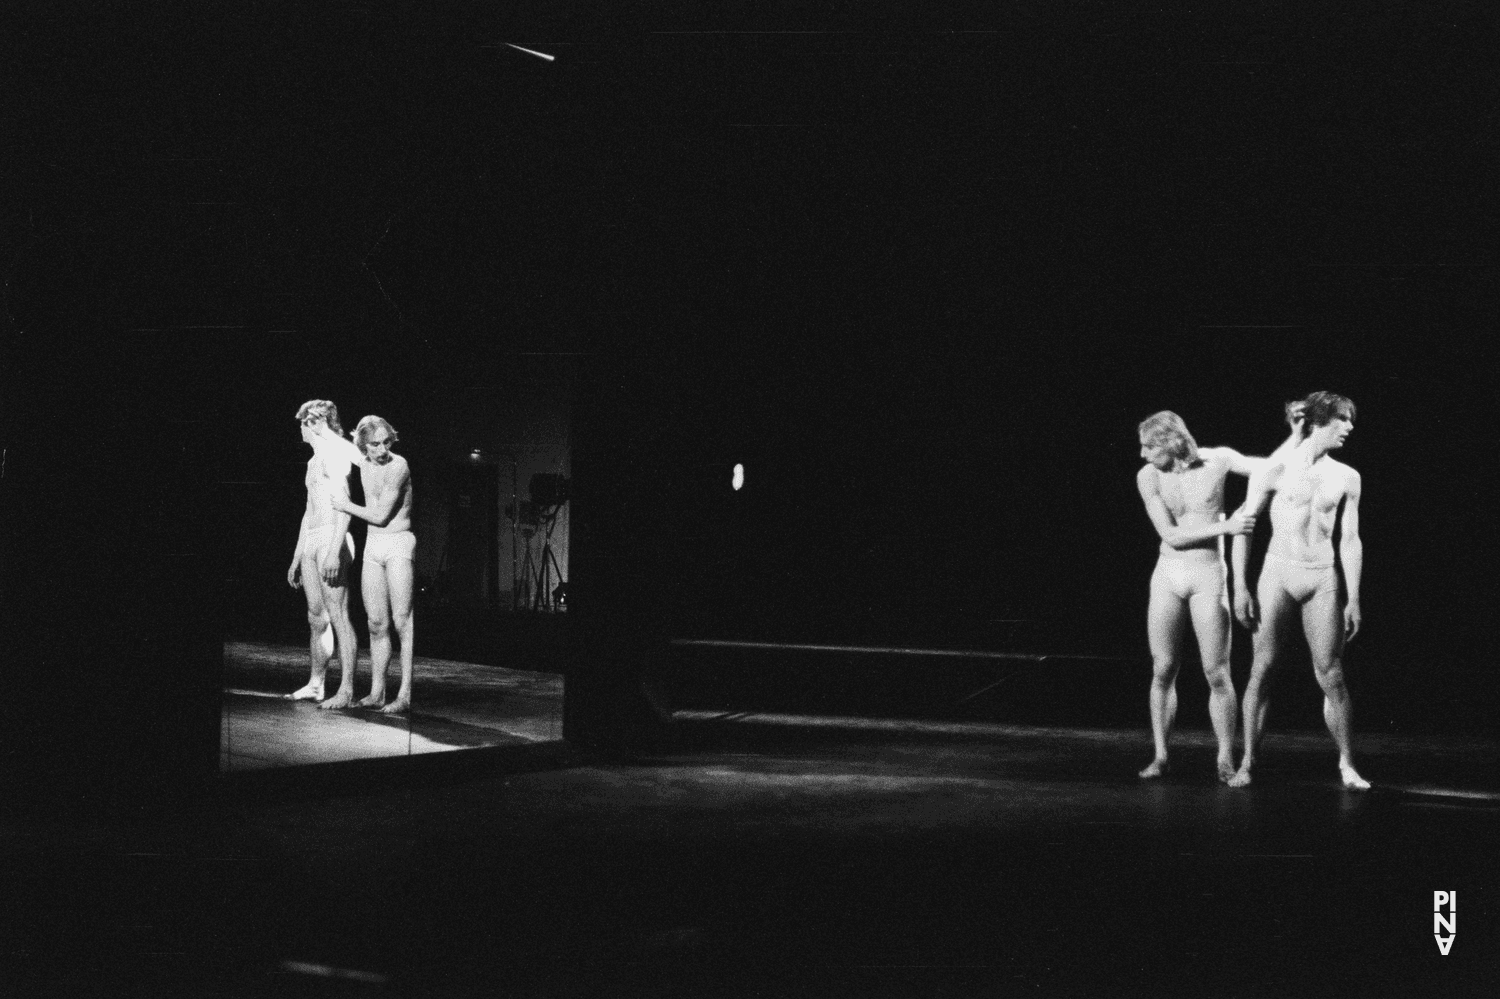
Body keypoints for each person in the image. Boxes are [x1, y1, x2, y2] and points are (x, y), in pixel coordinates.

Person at [1135, 410, 1302, 781]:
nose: (1143, 454)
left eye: (1149, 446)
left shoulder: (1218, 460)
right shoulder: (1148, 476)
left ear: (1170, 442)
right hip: (1168, 574)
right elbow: (1171, 535)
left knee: (1216, 671)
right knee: (1162, 667)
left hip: (1209, 574)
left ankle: (1224, 755)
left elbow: (1271, 469)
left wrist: (1296, 435)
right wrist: (1226, 525)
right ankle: (1161, 754)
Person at [1229, 392, 1368, 790]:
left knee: (1332, 673)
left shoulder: (1347, 476)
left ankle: (1347, 763)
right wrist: (1239, 585)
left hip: (1322, 576)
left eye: (1350, 420)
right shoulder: (1275, 469)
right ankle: (1248, 762)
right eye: (1342, 419)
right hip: (1278, 573)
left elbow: (1350, 538)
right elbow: (1245, 525)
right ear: (1319, 421)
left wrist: (1353, 595)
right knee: (1263, 668)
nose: (1349, 427)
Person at [330, 416, 416, 714]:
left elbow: (380, 515)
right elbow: (337, 444)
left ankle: (404, 693)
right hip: (373, 546)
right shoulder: (364, 462)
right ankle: (377, 692)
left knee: (402, 620)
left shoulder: (398, 466)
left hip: (398, 542)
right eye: (375, 444)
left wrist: (345, 505)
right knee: (376, 623)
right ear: (364, 446)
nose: (382, 449)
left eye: (386, 442)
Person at [286, 400, 368, 708]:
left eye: (306, 422)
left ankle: (346, 689)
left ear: (318, 425)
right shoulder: (312, 462)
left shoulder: (334, 456)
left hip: (333, 538)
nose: (301, 428)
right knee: (315, 617)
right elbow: (309, 512)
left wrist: (334, 551)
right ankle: (316, 684)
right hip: (313, 539)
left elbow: (344, 507)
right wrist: (297, 556)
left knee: (338, 615)